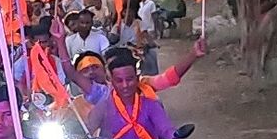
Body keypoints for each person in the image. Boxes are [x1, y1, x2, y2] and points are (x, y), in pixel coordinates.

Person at [63, 40, 208, 107]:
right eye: (85, 70)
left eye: (95, 67)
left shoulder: (143, 85)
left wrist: (193, 54)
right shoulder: (98, 95)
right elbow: (70, 73)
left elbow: (168, 78)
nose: (91, 73)